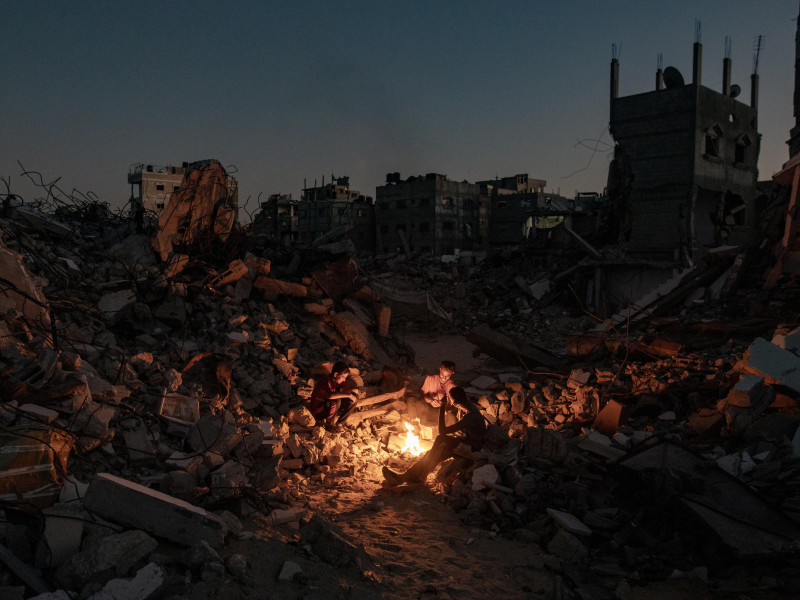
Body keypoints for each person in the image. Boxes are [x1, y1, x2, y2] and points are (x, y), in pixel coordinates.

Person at [382, 386, 485, 486]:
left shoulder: (471, 416)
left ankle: (417, 476)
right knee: (432, 452)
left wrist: (442, 407)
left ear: (455, 403)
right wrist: (462, 434)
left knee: (440, 440)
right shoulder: (466, 407)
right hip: (466, 441)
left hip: (472, 449)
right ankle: (406, 477)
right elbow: (467, 431)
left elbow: (442, 431)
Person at [309, 361, 358, 432]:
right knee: (336, 399)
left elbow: (349, 388)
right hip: (319, 412)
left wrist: (352, 392)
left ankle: (340, 423)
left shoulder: (337, 380)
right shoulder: (325, 381)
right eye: (343, 377)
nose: (344, 379)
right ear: (335, 374)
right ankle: (329, 425)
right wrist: (349, 395)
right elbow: (330, 396)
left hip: (329, 408)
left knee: (355, 397)